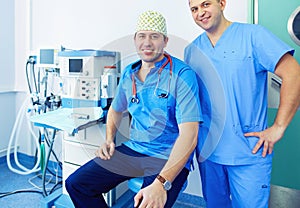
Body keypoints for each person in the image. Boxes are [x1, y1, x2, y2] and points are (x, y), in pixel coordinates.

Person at [65, 10, 202, 208]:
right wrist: (109, 139)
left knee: (146, 203)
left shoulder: (182, 75)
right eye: (142, 36)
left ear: (165, 41)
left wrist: (161, 183)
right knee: (76, 184)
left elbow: (189, 136)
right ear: (135, 40)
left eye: (154, 36)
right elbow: (115, 109)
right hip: (135, 150)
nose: (147, 42)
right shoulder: (130, 73)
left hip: (167, 156)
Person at [184, 0, 300, 207]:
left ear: (222, 3)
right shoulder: (192, 50)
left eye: (206, 4)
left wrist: (279, 127)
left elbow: (293, 74)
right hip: (208, 151)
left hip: (248, 151)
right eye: (194, 9)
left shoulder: (253, 36)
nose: (200, 12)